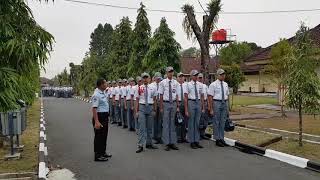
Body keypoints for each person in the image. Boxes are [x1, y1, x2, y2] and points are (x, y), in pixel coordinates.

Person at [135, 72, 158, 153]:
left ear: (149, 78)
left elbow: (155, 99)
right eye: (143, 78)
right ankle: (140, 145)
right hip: (142, 107)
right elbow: (137, 100)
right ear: (142, 79)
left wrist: (154, 110)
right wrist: (136, 111)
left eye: (146, 77)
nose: (145, 79)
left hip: (150, 107)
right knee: (142, 127)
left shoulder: (153, 87)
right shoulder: (139, 88)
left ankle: (149, 143)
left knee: (150, 127)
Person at [159, 67, 179, 151]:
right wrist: (161, 107)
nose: (170, 73)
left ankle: (172, 142)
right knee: (166, 124)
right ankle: (167, 143)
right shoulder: (163, 82)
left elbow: (177, 95)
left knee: (172, 123)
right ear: (166, 73)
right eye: (169, 72)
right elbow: (161, 95)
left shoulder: (175, 82)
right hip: (166, 103)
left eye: (172, 71)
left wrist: (177, 106)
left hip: (173, 103)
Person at [208, 69, 229, 147]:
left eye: (223, 74)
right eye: (221, 74)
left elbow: (227, 95)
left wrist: (228, 107)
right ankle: (217, 139)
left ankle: (222, 138)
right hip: (216, 102)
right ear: (217, 75)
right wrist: (211, 108)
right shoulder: (213, 84)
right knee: (216, 121)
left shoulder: (226, 84)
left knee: (222, 121)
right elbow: (210, 96)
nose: (223, 76)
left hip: (224, 103)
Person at [91, 78, 111, 162]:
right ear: (101, 85)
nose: (106, 85)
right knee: (99, 137)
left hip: (104, 116)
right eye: (105, 83)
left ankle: (103, 152)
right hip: (99, 117)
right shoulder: (96, 95)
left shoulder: (102, 93)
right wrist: (96, 121)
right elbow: (94, 109)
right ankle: (97, 155)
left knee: (104, 135)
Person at [184, 70, 205, 149]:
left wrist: (203, 107)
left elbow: (202, 96)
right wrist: (186, 110)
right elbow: (185, 97)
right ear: (191, 76)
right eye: (194, 75)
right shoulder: (188, 85)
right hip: (191, 102)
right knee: (191, 123)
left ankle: (196, 140)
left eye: (197, 75)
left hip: (198, 103)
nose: (196, 76)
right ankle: (191, 141)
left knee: (197, 122)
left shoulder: (200, 85)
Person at [198, 73, 210, 140]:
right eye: (199, 77)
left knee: (205, 119)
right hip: (198, 102)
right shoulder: (196, 85)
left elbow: (208, 96)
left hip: (205, 102)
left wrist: (208, 105)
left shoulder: (205, 86)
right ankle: (198, 134)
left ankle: (203, 133)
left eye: (201, 77)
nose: (200, 79)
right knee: (199, 119)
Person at [151, 72, 163, 144]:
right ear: (154, 78)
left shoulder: (162, 85)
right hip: (153, 104)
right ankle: (154, 136)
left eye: (160, 78)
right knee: (154, 121)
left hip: (160, 104)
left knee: (160, 121)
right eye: (157, 78)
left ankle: (159, 136)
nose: (159, 80)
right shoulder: (152, 85)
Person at [176, 72, 187, 143]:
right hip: (178, 103)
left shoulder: (186, 85)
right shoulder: (175, 85)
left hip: (184, 103)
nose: (181, 78)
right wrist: (177, 106)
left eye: (182, 77)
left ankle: (184, 137)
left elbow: (186, 96)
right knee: (179, 121)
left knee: (185, 121)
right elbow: (175, 96)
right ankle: (178, 137)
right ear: (177, 78)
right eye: (179, 77)